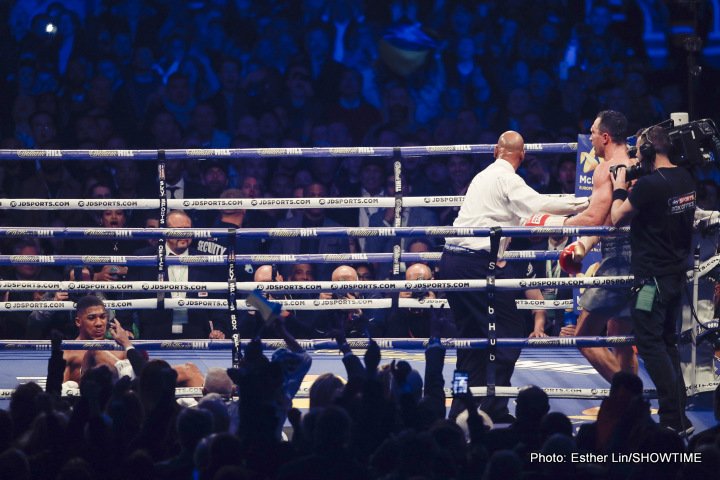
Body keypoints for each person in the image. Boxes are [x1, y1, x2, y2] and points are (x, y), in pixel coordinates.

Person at [439, 130, 588, 422]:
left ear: (496, 150)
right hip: (476, 263)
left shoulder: (482, 178)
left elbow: (525, 217)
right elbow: (536, 206)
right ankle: (493, 405)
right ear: (521, 156)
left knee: (468, 342)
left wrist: (564, 219)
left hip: (452, 261)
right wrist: (584, 204)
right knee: (507, 334)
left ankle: (460, 407)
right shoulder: (507, 178)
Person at [610, 124, 696, 435]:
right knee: (666, 343)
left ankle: (672, 417)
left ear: (647, 150)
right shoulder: (685, 178)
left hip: (650, 282)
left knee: (649, 344)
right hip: (674, 277)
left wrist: (620, 186)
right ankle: (679, 418)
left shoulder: (648, 185)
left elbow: (617, 216)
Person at [560, 110, 638, 382]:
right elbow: (608, 218)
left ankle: (628, 393)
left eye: (593, 132)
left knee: (583, 337)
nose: (590, 137)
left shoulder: (606, 168)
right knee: (621, 339)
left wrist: (556, 223)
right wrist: (583, 245)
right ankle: (631, 405)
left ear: (605, 137)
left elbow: (594, 217)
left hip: (618, 258)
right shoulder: (636, 162)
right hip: (639, 254)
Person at [124, 210, 228, 339]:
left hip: (197, 335)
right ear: (165, 232)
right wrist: (126, 328)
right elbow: (128, 296)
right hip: (154, 334)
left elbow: (218, 301)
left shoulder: (206, 260)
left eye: (187, 229)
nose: (184, 234)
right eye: (178, 229)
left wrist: (219, 329)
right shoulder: (143, 257)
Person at [61, 295, 203, 386]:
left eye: (103, 317)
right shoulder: (69, 354)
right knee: (96, 350)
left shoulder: (120, 345)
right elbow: (59, 393)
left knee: (190, 370)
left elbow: (145, 370)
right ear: (79, 322)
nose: (99, 323)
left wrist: (127, 345)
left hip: (139, 394)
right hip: (107, 404)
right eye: (92, 318)